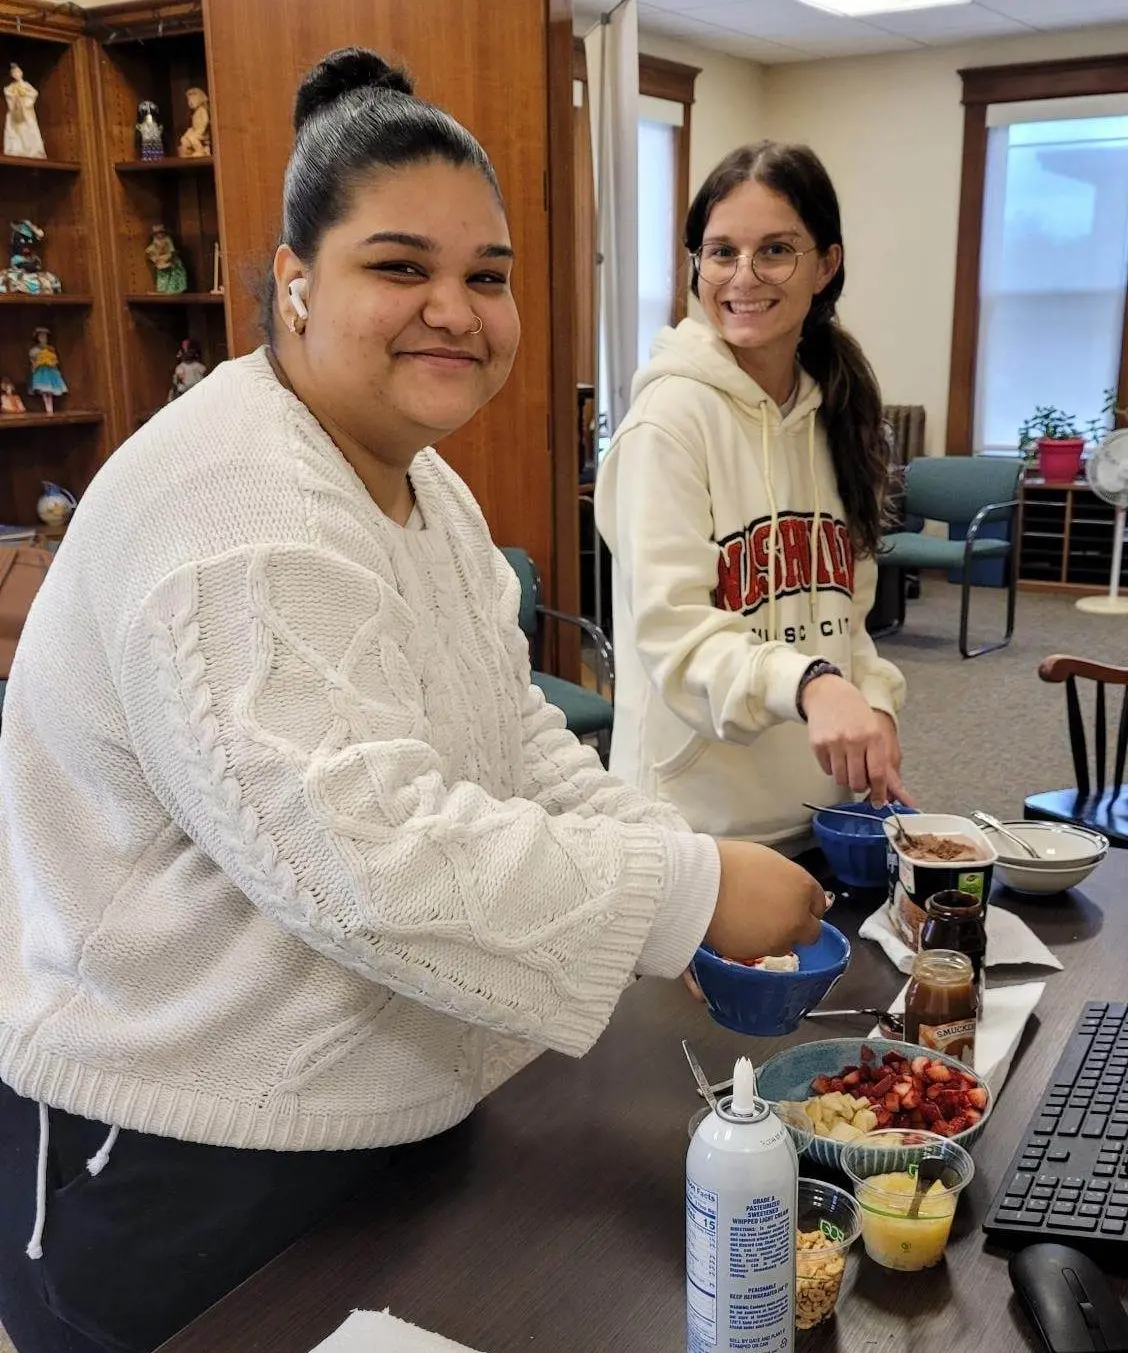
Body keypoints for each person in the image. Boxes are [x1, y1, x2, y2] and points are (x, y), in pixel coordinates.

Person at [0, 52, 828, 1353]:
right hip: (177, 1152)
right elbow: (364, 854)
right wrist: (685, 893)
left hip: (385, 1103)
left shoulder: (423, 487)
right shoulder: (233, 510)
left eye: (486, 276)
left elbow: (516, 740)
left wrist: (673, 868)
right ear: (293, 281)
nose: (456, 308)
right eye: (399, 266)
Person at [594, 141, 909, 851]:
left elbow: (847, 616)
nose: (743, 276)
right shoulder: (668, 422)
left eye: (775, 250)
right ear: (696, 265)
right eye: (721, 252)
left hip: (820, 814)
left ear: (826, 264)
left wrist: (874, 701)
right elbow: (674, 634)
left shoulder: (840, 414)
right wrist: (814, 686)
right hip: (694, 829)